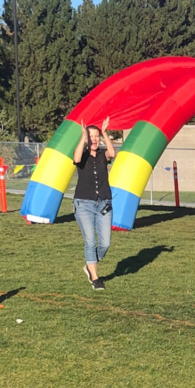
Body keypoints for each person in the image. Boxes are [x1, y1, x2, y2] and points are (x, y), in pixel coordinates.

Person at [72, 117, 116, 290]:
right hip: (84, 204)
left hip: (104, 203)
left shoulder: (102, 154)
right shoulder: (81, 155)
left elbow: (112, 153)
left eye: (97, 136)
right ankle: (95, 277)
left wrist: (105, 133)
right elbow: (76, 158)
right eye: (92, 136)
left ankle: (90, 264)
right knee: (90, 241)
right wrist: (83, 137)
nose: (95, 139)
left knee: (105, 243)